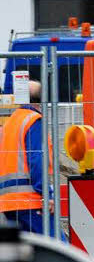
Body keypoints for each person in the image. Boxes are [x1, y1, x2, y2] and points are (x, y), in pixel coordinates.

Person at [0, 80, 64, 240]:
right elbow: (38, 159)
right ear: (43, 100)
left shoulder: (11, 123)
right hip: (31, 201)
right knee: (57, 249)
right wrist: (46, 194)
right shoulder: (33, 121)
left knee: (28, 255)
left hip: (9, 202)